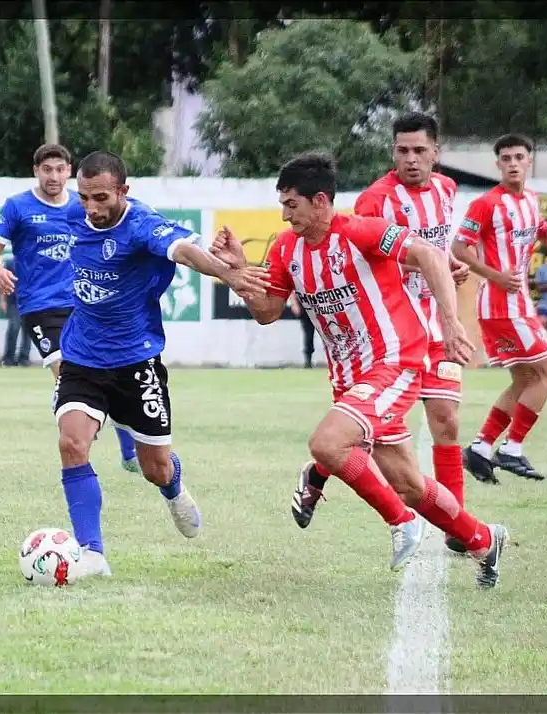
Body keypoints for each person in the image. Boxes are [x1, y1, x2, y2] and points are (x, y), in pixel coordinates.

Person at [215, 152, 507, 588]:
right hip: (350, 380)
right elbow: (267, 312)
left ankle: (401, 522)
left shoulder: (360, 231)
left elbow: (427, 253)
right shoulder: (287, 249)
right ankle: (484, 539)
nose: (284, 214)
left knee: (327, 444)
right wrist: (236, 271)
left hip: (395, 363)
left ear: (319, 201)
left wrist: (449, 323)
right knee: (407, 482)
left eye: (291, 204)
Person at [54, 150, 271, 579]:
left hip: (137, 363)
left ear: (123, 191)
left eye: (101, 197)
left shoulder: (141, 224)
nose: (92, 208)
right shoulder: (73, 219)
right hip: (81, 357)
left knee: (154, 467)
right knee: (71, 444)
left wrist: (227, 274)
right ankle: (92, 553)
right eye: (84, 198)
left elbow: (186, 251)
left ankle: (172, 487)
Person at [291, 112, 472, 555]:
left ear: (436, 153)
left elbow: (437, 248)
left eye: (419, 150)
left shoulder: (447, 190)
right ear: (393, 152)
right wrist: (429, 260)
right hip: (394, 331)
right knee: (367, 439)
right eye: (402, 150)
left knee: (446, 422)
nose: (411, 159)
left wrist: (447, 264)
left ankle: (457, 532)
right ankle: (320, 472)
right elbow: (370, 255)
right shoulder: (375, 200)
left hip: (434, 324)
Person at [0, 143, 143, 473]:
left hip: (82, 303)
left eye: (60, 169)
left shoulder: (81, 206)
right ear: (36, 170)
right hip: (39, 306)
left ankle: (128, 449)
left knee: (109, 372)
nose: (54, 176)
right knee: (69, 372)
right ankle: (76, 432)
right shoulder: (18, 207)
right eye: (47, 170)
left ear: (69, 171)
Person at [452, 134, 547, 482]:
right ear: (498, 164)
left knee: (526, 378)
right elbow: (460, 248)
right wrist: (494, 276)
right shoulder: (485, 204)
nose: (512, 163)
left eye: (518, 157)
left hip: (514, 305)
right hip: (503, 306)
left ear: (528, 162)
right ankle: (512, 450)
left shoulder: (530, 201)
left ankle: (480, 449)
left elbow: (542, 230)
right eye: (506, 157)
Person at [0, 255, 32, 367]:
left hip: (31, 300)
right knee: (14, 327)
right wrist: (2, 300)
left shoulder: (34, 261)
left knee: (28, 330)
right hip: (14, 301)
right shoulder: (10, 263)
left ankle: (24, 358)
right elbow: (3, 281)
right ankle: (8, 359)